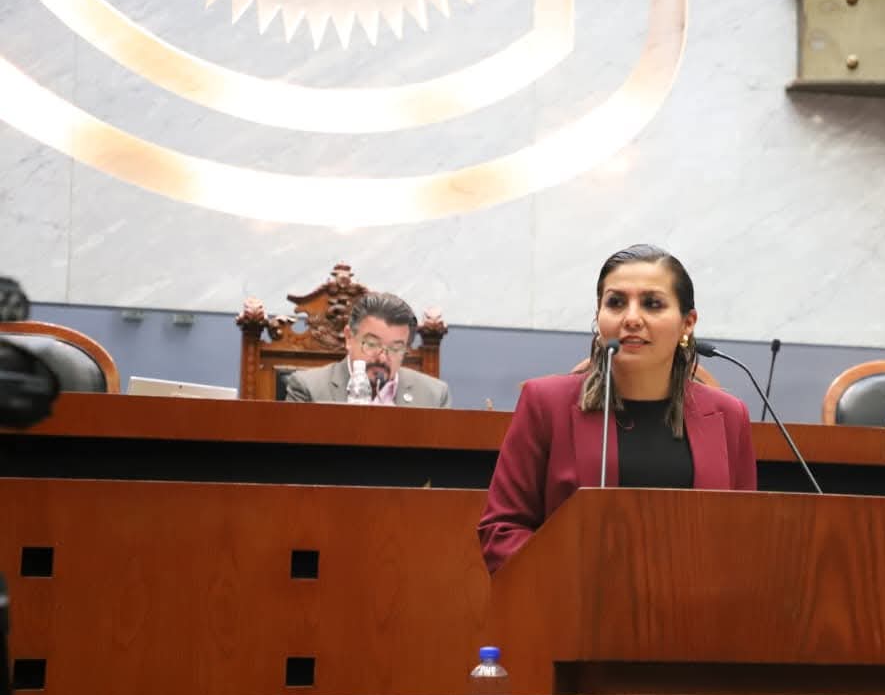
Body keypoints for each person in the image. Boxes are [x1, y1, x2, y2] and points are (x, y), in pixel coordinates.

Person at [477, 245, 757, 574]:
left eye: (652, 304)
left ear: (688, 323)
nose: (631, 318)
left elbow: (745, 537)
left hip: (696, 602)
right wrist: (572, 579)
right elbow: (501, 531)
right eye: (616, 302)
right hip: (574, 601)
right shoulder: (545, 404)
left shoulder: (729, 415)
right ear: (599, 316)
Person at [284, 292, 451, 407]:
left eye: (395, 348)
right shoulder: (308, 389)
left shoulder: (434, 395)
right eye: (372, 344)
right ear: (349, 337)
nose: (382, 358)